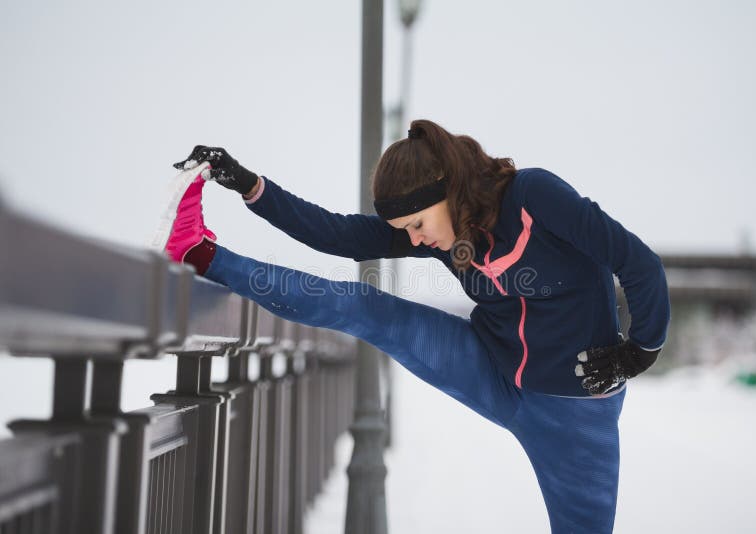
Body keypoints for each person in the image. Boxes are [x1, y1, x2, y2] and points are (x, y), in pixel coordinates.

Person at [163, 119, 670, 533]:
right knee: (363, 307)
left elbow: (638, 263)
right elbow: (335, 233)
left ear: (446, 190)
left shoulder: (534, 196)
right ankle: (200, 252)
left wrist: (637, 351)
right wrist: (249, 185)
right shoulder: (446, 234)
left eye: (417, 225)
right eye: (406, 233)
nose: (417, 240)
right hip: (489, 368)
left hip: (574, 411)